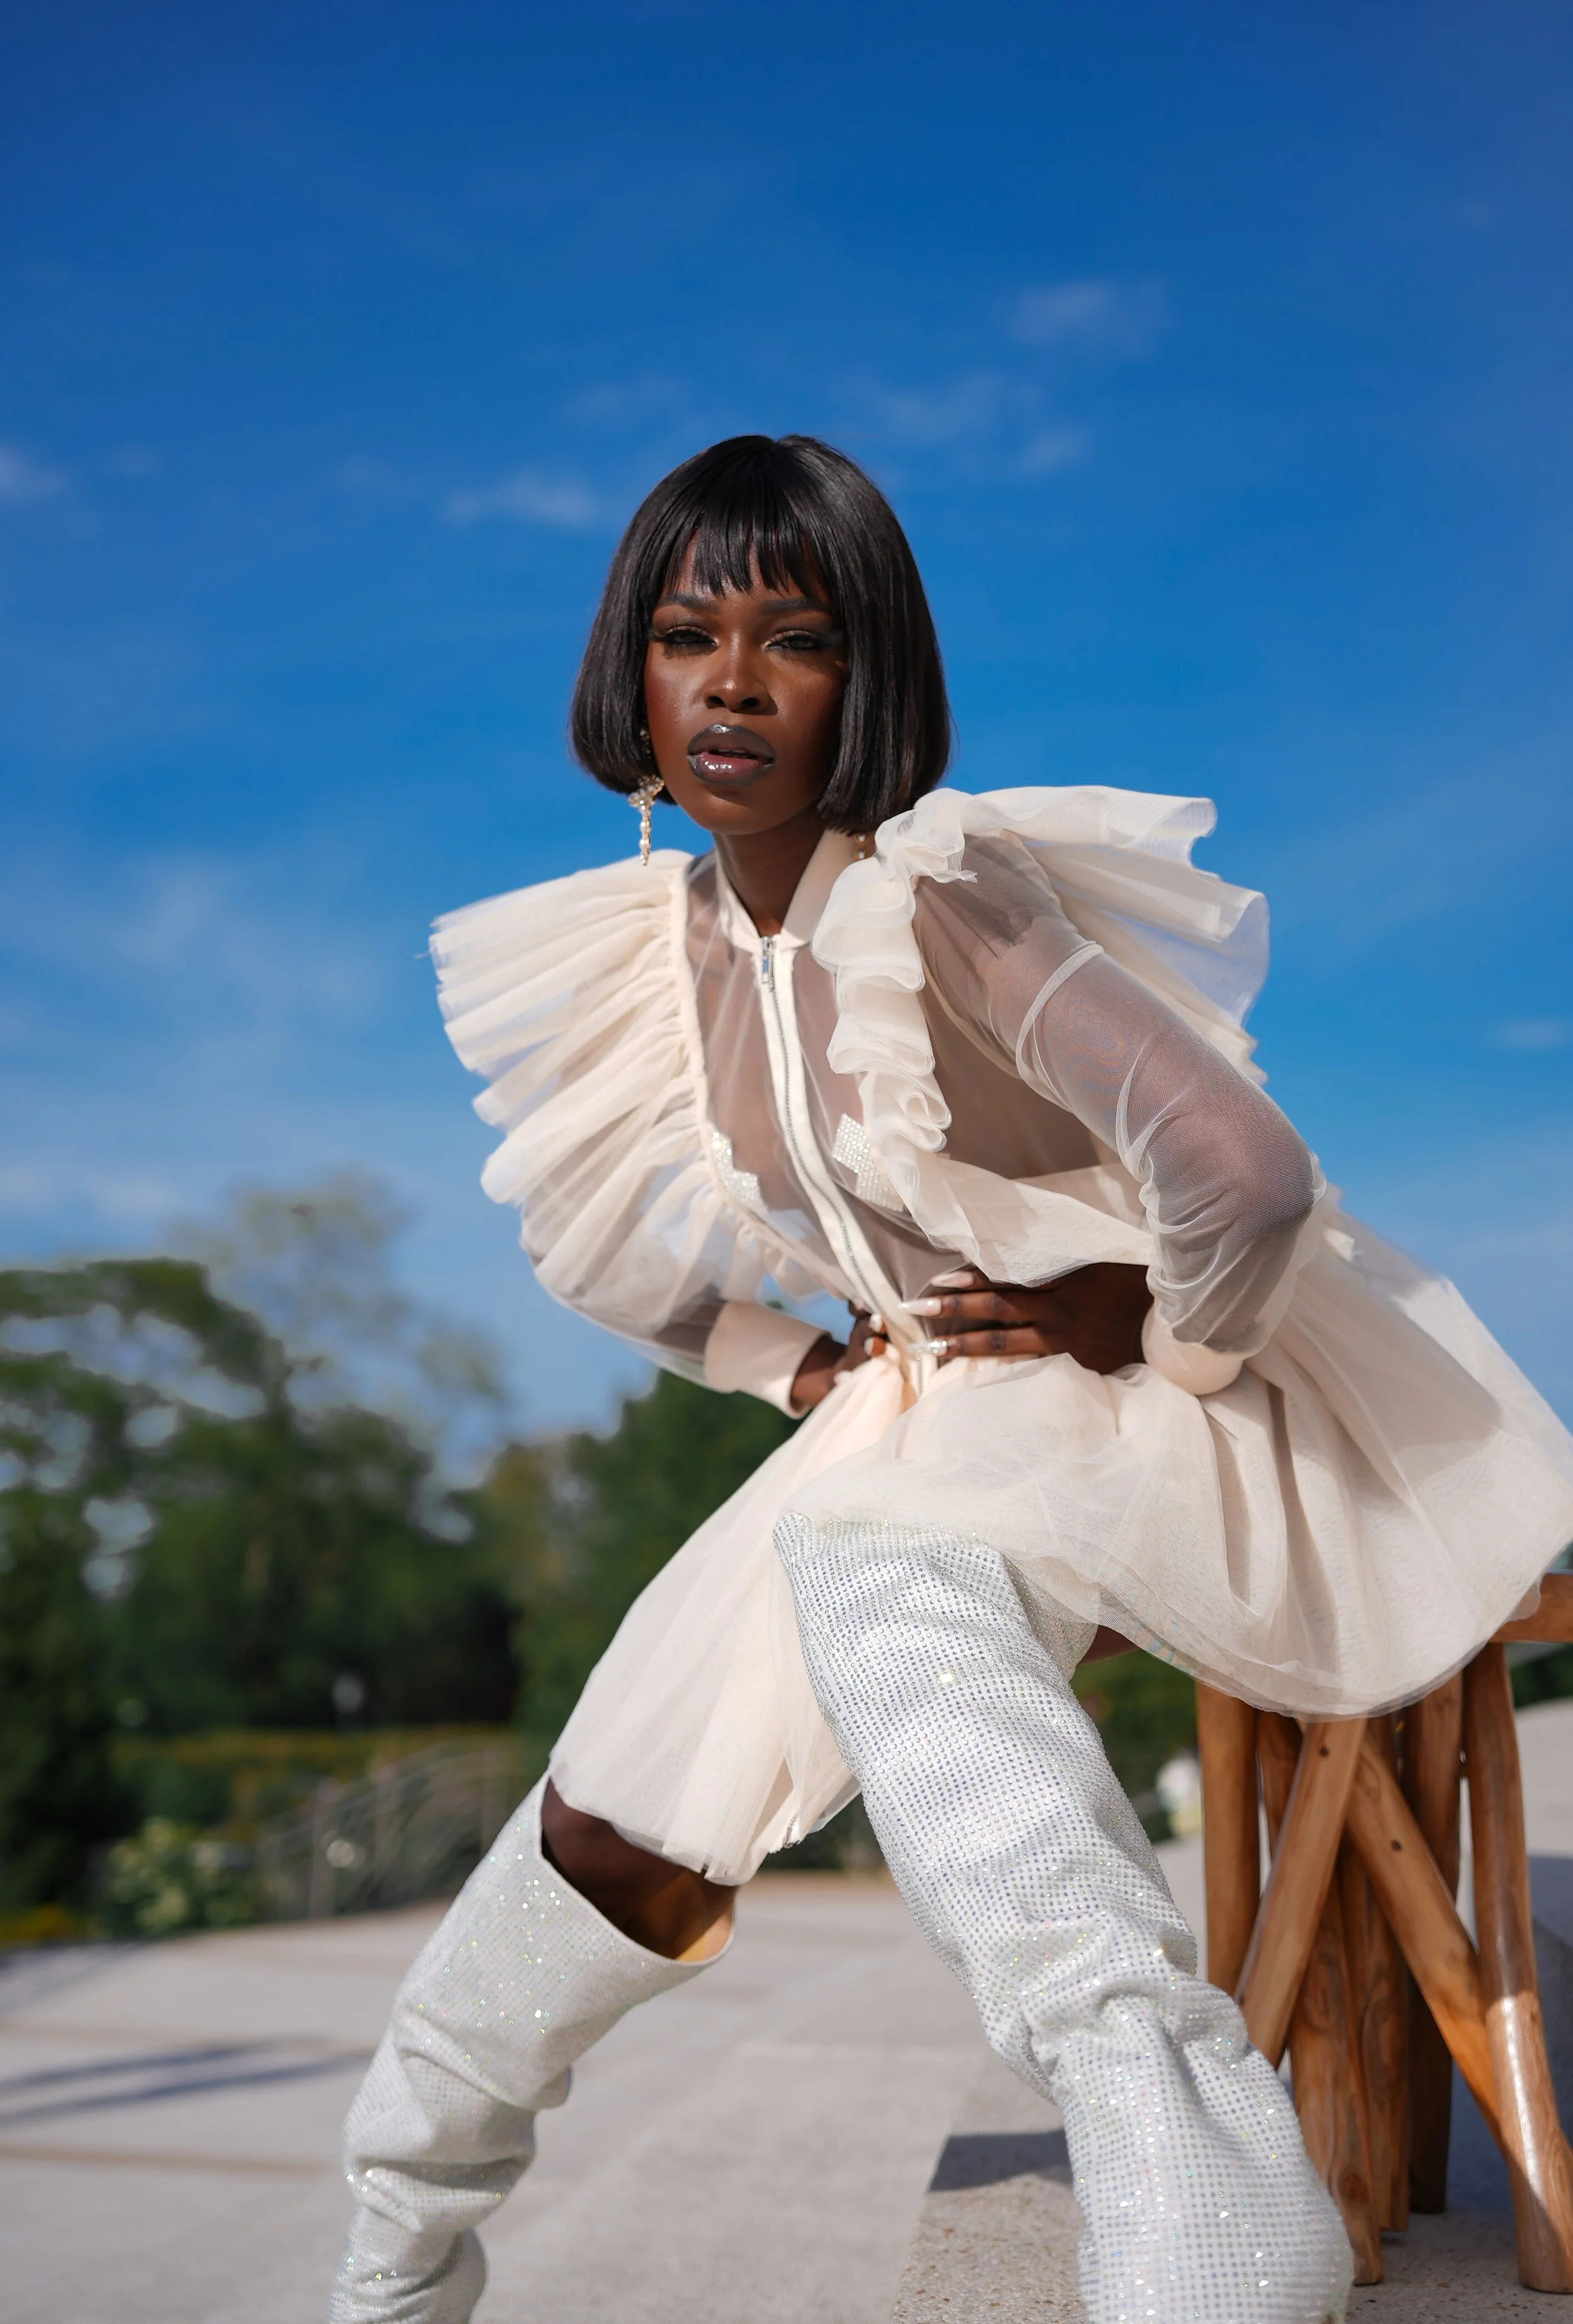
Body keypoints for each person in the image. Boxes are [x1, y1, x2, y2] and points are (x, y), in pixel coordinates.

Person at [330, 435, 1573, 2324]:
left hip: (1188, 1382)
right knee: (609, 1810)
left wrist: (1137, 1326)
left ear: (868, 676)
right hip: (931, 1410)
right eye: (686, 634)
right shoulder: (664, 949)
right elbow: (595, 1246)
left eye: (794, 637)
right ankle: (392, 2265)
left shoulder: (937, 885)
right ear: (631, 675)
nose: (731, 681)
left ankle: (1210, 2198)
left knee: (880, 1566)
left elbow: (1237, 1172)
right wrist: (793, 1364)